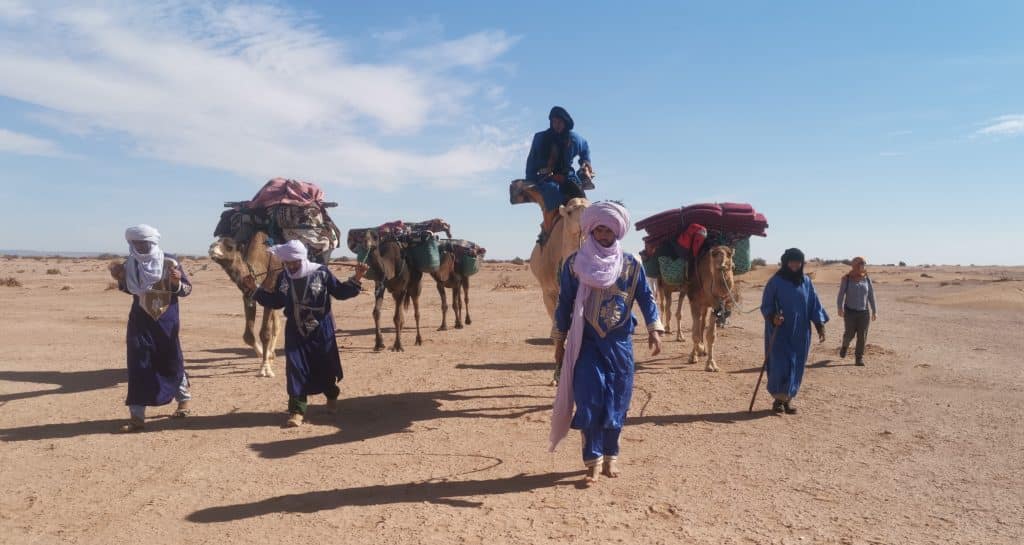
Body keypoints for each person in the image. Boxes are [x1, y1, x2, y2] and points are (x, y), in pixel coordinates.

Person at [549, 201, 663, 484]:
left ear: (617, 231)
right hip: (586, 343)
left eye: (608, 230)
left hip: (619, 344)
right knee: (589, 399)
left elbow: (646, 297)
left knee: (617, 401)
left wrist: (654, 328)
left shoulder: (631, 264)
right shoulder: (575, 264)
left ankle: (611, 457)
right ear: (590, 230)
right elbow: (564, 303)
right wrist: (559, 341)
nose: (602, 235)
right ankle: (593, 462)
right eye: (598, 229)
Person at [243, 240, 368, 427]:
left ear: (302, 259)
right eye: (288, 263)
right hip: (296, 329)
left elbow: (340, 292)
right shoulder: (284, 277)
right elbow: (276, 301)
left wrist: (357, 277)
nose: (291, 266)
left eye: (295, 263)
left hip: (321, 329)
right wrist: (255, 288)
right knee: (295, 368)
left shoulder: (321, 272)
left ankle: (331, 396)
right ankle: (297, 411)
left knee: (325, 366)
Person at [108, 225, 193, 432]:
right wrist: (120, 278)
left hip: (166, 321)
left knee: (171, 360)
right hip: (140, 320)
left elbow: (186, 289)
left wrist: (176, 282)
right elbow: (131, 290)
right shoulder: (130, 263)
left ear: (152, 243)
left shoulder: (169, 261)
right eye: (136, 243)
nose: (140, 247)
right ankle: (137, 418)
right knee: (137, 363)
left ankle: (183, 402)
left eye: (144, 243)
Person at [759, 248, 828, 415]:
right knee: (780, 364)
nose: (795, 265)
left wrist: (819, 324)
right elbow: (767, 304)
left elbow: (814, 304)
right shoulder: (775, 281)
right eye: (792, 261)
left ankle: (788, 399)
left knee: (796, 364)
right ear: (785, 262)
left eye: (798, 262)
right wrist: (773, 316)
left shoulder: (806, 282)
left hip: (800, 332)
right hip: (779, 330)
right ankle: (778, 399)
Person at [525, 106, 594, 206]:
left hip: (568, 176)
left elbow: (584, 147)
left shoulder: (574, 139)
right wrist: (529, 180)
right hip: (546, 178)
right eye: (554, 122)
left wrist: (585, 163)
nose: (557, 125)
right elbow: (531, 160)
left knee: (582, 202)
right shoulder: (540, 138)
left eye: (560, 122)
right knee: (553, 193)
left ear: (565, 123)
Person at [837, 256, 877, 366]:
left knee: (862, 336)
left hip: (864, 312)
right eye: (861, 264)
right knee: (849, 334)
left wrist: (874, 310)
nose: (863, 267)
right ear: (855, 266)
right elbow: (841, 295)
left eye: (864, 264)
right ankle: (845, 346)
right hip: (850, 312)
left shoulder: (867, 279)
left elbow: (871, 295)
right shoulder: (846, 279)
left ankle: (859, 358)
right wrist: (839, 308)